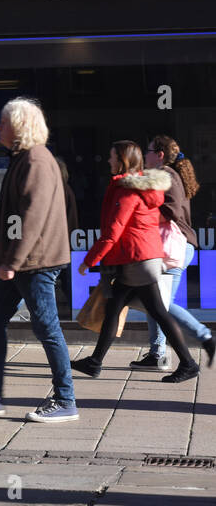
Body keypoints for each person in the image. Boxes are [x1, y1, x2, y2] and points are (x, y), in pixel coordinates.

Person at [0, 97, 79, 422]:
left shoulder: (36, 160)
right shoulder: (23, 159)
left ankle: (66, 400)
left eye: (2, 122)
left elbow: (32, 217)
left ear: (19, 126)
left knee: (47, 327)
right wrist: (6, 260)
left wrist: (13, 260)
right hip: (23, 262)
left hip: (35, 262)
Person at [73, 140, 200, 383]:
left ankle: (188, 364)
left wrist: (88, 261)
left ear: (122, 160)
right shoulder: (137, 187)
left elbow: (113, 231)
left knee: (158, 312)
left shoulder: (128, 191)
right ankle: (94, 362)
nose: (108, 161)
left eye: (111, 156)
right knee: (115, 309)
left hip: (137, 260)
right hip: (138, 258)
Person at [131, 136, 214, 369]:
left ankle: (203, 335)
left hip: (173, 247)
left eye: (148, 151)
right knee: (154, 301)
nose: (144, 156)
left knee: (159, 302)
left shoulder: (166, 174)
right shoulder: (168, 174)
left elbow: (172, 210)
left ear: (159, 155)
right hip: (176, 246)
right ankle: (157, 354)